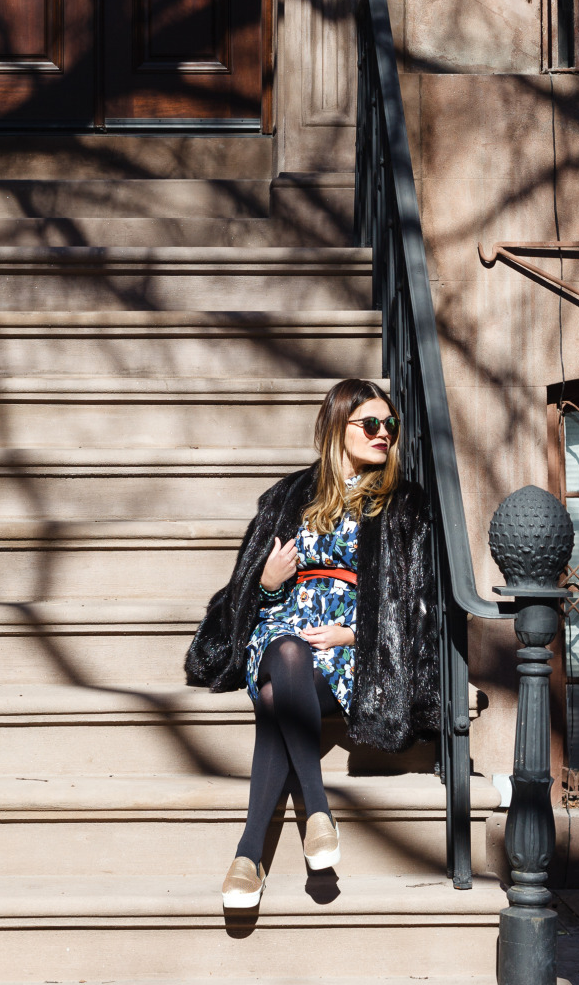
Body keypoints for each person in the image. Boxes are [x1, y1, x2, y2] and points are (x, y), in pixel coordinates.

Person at [184, 377, 441, 911]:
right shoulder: (288, 497)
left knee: (279, 697)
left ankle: (248, 853)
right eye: (370, 424)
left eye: (389, 425)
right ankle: (317, 810)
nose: (383, 434)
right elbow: (242, 591)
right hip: (282, 630)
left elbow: (413, 599)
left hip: (352, 651)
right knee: (285, 652)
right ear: (336, 426)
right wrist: (269, 582)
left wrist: (356, 632)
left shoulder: (402, 504)